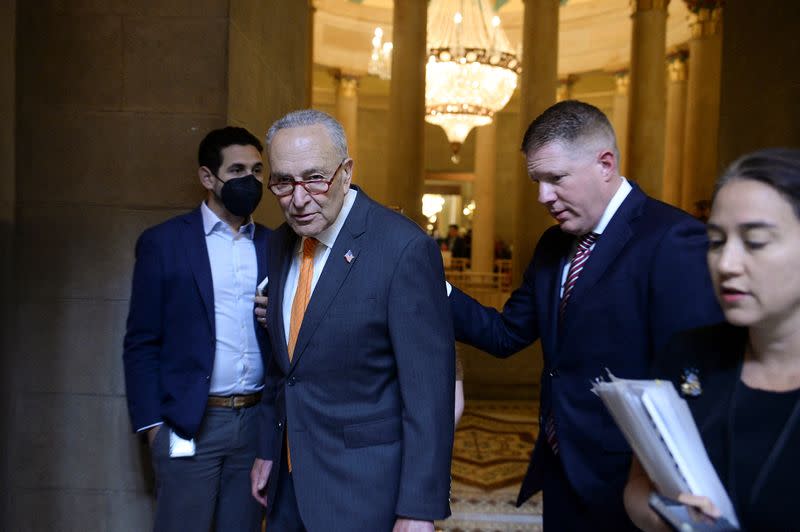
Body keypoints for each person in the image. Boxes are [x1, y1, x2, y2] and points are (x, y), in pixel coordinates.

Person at [447, 100, 722, 530]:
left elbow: (692, 379)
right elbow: (504, 334)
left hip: (635, 480)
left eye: (555, 179)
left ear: (605, 164)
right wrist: (432, 288)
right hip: (561, 466)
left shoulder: (672, 238)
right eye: (537, 181)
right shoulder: (552, 245)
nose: (543, 196)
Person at [249, 109, 455, 532]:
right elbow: (284, 369)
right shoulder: (280, 241)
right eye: (283, 182)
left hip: (364, 491)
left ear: (346, 172)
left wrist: (418, 508)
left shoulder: (403, 249)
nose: (299, 198)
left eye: (315, 178)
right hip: (287, 487)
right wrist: (269, 448)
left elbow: (428, 396)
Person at [624, 148, 800, 532]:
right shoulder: (686, 356)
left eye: (755, 241)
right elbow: (638, 486)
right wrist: (665, 519)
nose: (726, 264)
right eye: (717, 241)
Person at [123, 126, 270, 532]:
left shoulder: (275, 246)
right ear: (208, 177)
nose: (250, 181)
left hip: (255, 425)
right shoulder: (164, 243)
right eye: (237, 169)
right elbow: (141, 343)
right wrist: (153, 427)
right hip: (189, 423)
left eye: (258, 171)